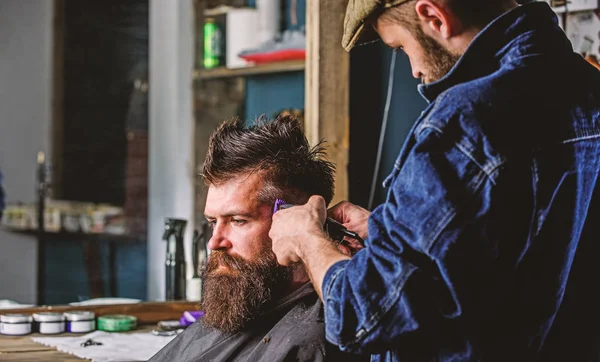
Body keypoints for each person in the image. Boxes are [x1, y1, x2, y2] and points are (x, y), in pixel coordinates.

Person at [269, 0, 600, 361]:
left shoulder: (463, 125)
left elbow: (362, 316)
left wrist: (307, 239)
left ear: (434, 16)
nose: (413, 70)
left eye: (400, 47)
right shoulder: (587, 86)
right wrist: (389, 232)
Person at [149, 116, 367, 362]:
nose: (215, 242)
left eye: (238, 221)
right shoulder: (249, 303)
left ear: (293, 217)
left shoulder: (309, 343)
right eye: (213, 222)